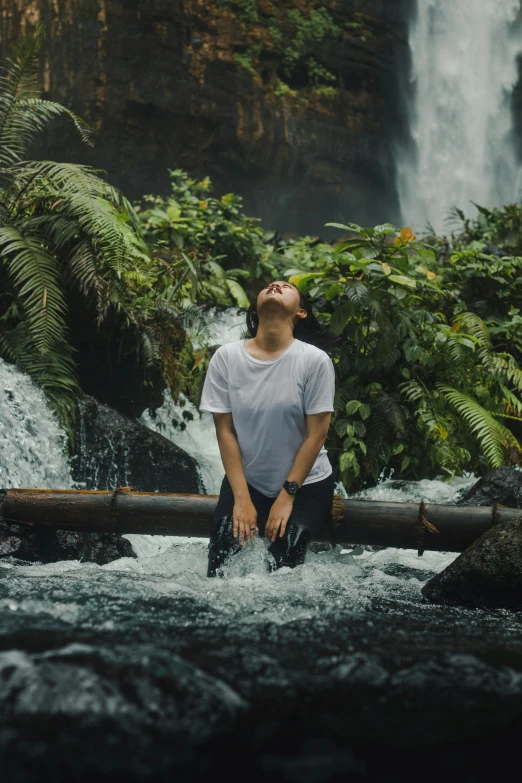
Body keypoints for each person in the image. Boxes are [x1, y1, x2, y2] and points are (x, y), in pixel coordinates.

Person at [199, 280, 339, 577]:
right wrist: (241, 499)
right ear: (256, 307)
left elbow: (317, 435)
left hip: (306, 485)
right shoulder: (226, 357)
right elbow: (225, 432)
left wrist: (287, 497)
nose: (275, 285)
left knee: (287, 554)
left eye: (286, 286)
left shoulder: (314, 361)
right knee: (222, 555)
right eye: (268, 285)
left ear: (300, 311)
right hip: (247, 481)